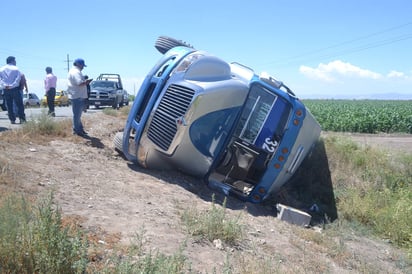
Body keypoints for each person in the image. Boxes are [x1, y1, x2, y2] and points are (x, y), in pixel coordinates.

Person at [67, 58, 92, 136]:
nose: (83, 67)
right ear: (78, 64)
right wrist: (87, 82)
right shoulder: (76, 72)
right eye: (82, 65)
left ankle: (80, 129)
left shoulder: (74, 71)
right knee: (77, 115)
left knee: (78, 115)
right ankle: (77, 131)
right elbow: (79, 83)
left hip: (77, 95)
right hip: (77, 96)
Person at [0, 56, 26, 124]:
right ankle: (22, 119)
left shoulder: (1, 69)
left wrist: (5, 85)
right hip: (15, 89)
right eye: (15, 61)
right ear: (12, 61)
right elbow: (18, 79)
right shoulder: (16, 69)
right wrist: (12, 85)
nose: (15, 62)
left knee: (9, 105)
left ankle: (12, 119)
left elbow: (0, 80)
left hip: (6, 89)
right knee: (19, 104)